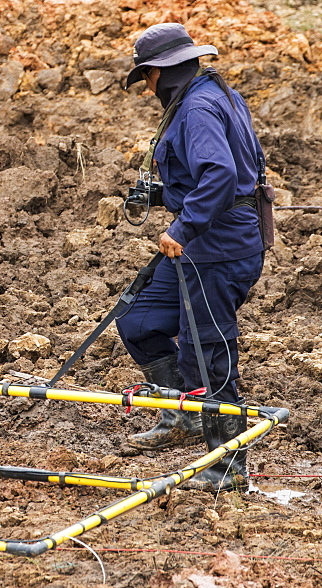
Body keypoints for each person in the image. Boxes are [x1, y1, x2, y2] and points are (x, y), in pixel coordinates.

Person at [115, 24, 266, 491]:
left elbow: (220, 175)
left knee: (208, 352)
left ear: (159, 73)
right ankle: (182, 413)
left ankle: (227, 469)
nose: (146, 88)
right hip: (208, 242)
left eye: (145, 78)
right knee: (139, 320)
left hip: (218, 249)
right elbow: (217, 174)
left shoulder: (198, 106)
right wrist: (162, 196)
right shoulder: (212, 95)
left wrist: (180, 226)